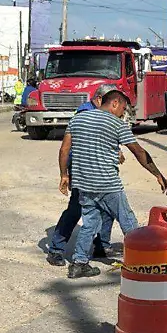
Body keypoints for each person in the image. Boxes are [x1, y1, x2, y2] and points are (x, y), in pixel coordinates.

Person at [59, 84, 167, 278]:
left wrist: (64, 175)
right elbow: (139, 152)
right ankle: (144, 262)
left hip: (83, 183)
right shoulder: (116, 124)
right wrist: (158, 174)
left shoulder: (77, 119)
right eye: (123, 109)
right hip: (107, 184)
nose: (123, 114)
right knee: (128, 221)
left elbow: (64, 149)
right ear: (115, 103)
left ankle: (79, 263)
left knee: (89, 224)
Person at [45, 95, 115, 266]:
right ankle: (56, 249)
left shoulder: (102, 114)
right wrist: (65, 174)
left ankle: (101, 245)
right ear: (99, 99)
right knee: (76, 209)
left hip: (101, 170)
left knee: (107, 208)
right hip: (83, 171)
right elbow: (68, 148)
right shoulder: (85, 113)